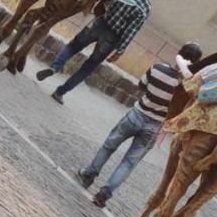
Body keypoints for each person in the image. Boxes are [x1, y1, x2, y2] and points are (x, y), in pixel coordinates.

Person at [78, 41, 203, 207]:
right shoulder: (187, 87)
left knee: (109, 145)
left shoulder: (157, 68)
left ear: (179, 52)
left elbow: (141, 85)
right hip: (155, 126)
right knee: (129, 162)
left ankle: (89, 175)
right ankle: (104, 194)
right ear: (196, 62)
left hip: (137, 114)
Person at [36, 0, 167, 103]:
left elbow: (107, 0)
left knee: (73, 46)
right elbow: (130, 31)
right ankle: (60, 92)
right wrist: (119, 51)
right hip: (111, 38)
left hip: (99, 23)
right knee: (88, 66)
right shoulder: (145, 8)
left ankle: (54, 67)